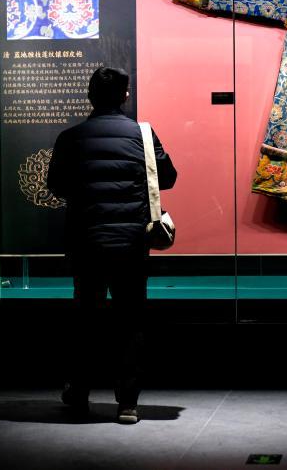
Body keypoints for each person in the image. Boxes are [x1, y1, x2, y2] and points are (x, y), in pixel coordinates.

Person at [46, 66, 177, 424]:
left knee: (85, 318)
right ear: (125, 96)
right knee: (130, 321)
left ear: (90, 96)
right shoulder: (142, 136)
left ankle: (79, 393)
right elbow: (168, 177)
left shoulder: (70, 137)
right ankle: (128, 403)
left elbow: (56, 185)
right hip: (131, 243)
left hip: (86, 242)